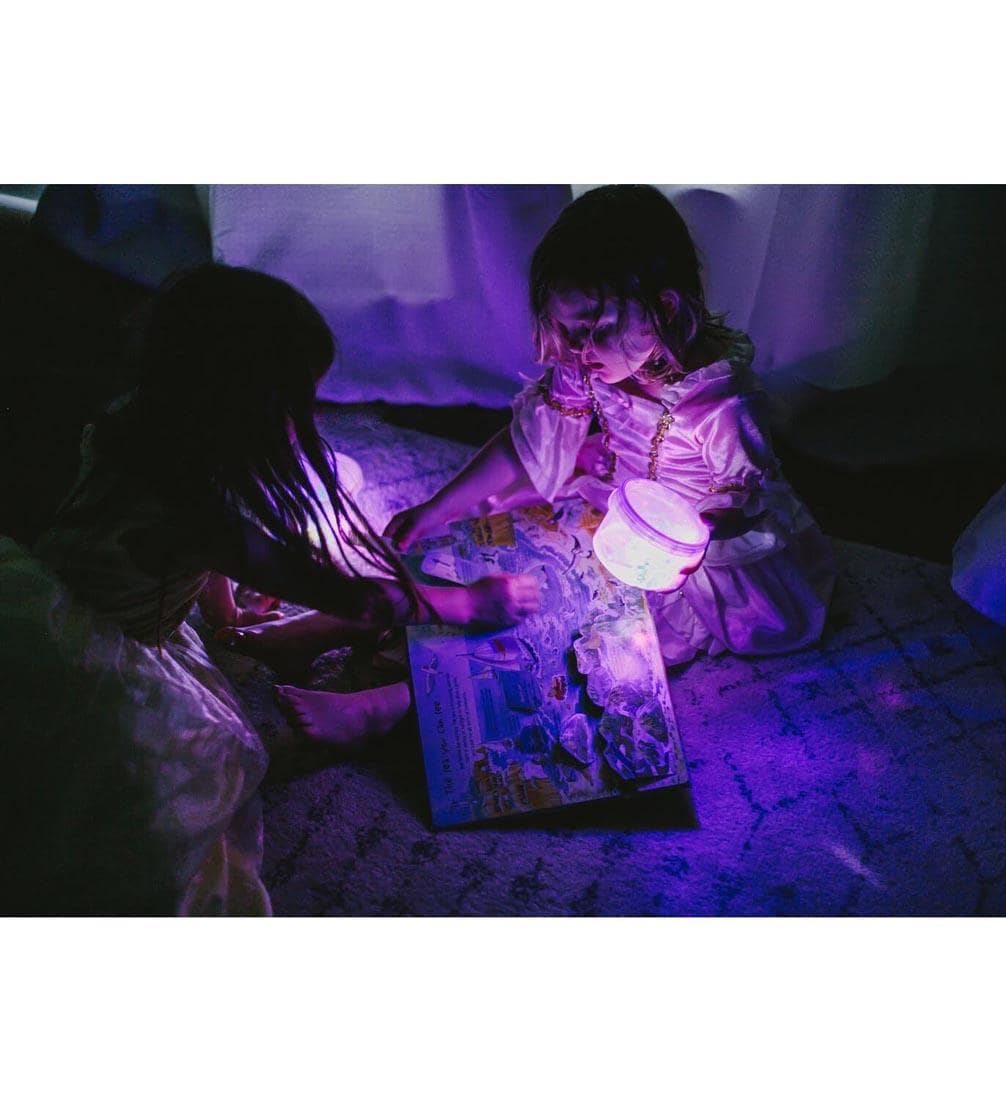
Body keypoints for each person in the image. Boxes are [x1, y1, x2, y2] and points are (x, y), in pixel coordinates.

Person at [1, 263, 538, 916]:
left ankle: (282, 641)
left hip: (51, 594)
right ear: (244, 409)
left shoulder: (141, 425)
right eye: (298, 404)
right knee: (190, 774)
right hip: (96, 659)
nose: (304, 419)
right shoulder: (201, 513)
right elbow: (360, 597)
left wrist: (222, 605)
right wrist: (468, 603)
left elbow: (185, 554)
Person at [384, 185, 836, 666]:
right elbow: (525, 445)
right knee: (534, 582)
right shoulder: (589, 363)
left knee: (601, 643)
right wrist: (435, 509)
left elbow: (746, 495)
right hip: (625, 508)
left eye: (596, 330)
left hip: (696, 549)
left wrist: (699, 528)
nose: (580, 351)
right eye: (569, 332)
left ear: (663, 309)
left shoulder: (719, 403)